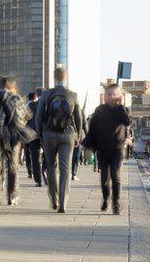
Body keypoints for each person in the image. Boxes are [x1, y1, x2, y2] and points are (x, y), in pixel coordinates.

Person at [35, 67, 84, 213]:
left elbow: (38, 117)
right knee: (65, 168)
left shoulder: (46, 94)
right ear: (66, 77)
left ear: (53, 77)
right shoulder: (73, 95)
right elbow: (79, 118)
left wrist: (40, 136)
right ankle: (63, 203)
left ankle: (54, 198)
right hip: (68, 135)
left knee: (51, 166)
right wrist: (78, 136)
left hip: (49, 135)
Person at [85, 84, 132, 214]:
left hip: (118, 148)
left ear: (118, 96)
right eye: (108, 94)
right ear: (104, 96)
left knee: (116, 176)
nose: (110, 97)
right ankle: (106, 199)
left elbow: (127, 122)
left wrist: (121, 105)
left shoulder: (121, 110)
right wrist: (89, 146)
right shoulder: (99, 110)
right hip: (103, 149)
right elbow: (92, 129)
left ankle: (116, 203)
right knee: (104, 177)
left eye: (113, 94)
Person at [0, 76, 27, 209]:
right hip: (13, 137)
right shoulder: (16, 99)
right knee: (13, 168)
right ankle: (12, 196)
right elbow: (25, 116)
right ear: (13, 87)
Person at [24, 90, 44, 186]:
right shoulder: (45, 104)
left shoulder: (29, 106)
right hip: (44, 133)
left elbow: (24, 119)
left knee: (35, 159)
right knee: (49, 156)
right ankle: (44, 170)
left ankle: (38, 181)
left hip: (32, 134)